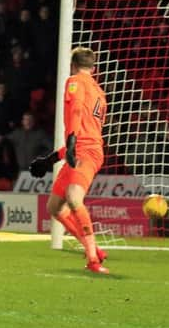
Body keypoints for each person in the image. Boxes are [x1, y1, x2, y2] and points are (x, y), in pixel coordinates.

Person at [29, 47, 109, 274]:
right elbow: (87, 132)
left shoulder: (74, 81)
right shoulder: (99, 92)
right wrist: (51, 159)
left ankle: (93, 258)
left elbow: (74, 111)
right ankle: (94, 249)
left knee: (74, 198)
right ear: (93, 68)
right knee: (54, 207)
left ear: (72, 65)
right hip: (83, 149)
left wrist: (72, 141)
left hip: (84, 151)